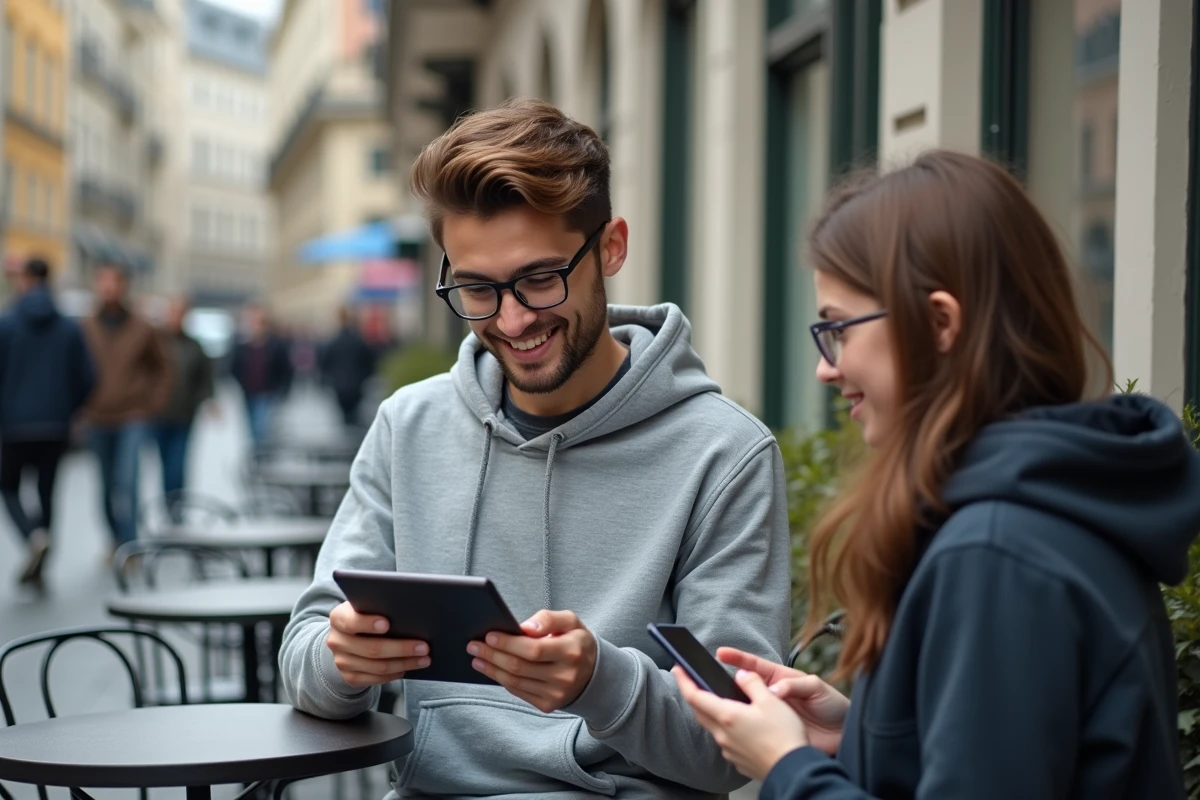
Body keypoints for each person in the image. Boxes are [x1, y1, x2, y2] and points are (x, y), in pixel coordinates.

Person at [279, 98, 791, 797]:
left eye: (540, 279)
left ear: (610, 247)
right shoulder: (410, 427)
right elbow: (305, 656)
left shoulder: (725, 455)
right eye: (476, 289)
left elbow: (733, 748)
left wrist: (600, 683)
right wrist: (343, 661)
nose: (513, 319)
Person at [673, 150, 1200, 799]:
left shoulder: (998, 552)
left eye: (838, 329)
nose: (825, 368)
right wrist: (859, 730)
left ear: (940, 322)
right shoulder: (1043, 511)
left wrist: (787, 768)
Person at [0, 257, 95, 587]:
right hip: (56, 424)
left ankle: (33, 538)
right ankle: (41, 562)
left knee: (8, 487)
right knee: (47, 493)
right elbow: (88, 376)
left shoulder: (7, 323)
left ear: (25, 279)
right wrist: (70, 408)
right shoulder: (69, 326)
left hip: (12, 424)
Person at [81, 263, 173, 554]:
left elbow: (163, 368)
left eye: (114, 282)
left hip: (133, 414)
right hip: (97, 416)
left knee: (127, 480)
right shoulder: (85, 326)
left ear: (124, 286)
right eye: (103, 282)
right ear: (96, 286)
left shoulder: (142, 326)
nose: (109, 288)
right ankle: (114, 537)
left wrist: (153, 403)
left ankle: (130, 545)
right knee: (106, 485)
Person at [154, 296, 216, 512]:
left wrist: (208, 400)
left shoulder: (194, 345)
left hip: (185, 414)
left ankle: (176, 505)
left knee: (177, 463)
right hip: (160, 414)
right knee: (164, 462)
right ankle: (168, 502)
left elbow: (205, 377)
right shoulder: (157, 341)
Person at [230, 303, 292, 450]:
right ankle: (258, 455)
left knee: (262, 428)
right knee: (252, 427)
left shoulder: (276, 344)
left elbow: (286, 369)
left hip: (268, 393)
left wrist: (282, 391)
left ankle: (260, 455)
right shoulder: (242, 344)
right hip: (249, 392)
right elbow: (234, 367)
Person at [319, 307, 377, 428]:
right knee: (354, 416)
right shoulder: (358, 341)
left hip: (339, 385)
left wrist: (329, 379)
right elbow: (369, 362)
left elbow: (325, 364)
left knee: (345, 418)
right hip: (356, 384)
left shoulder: (333, 342)